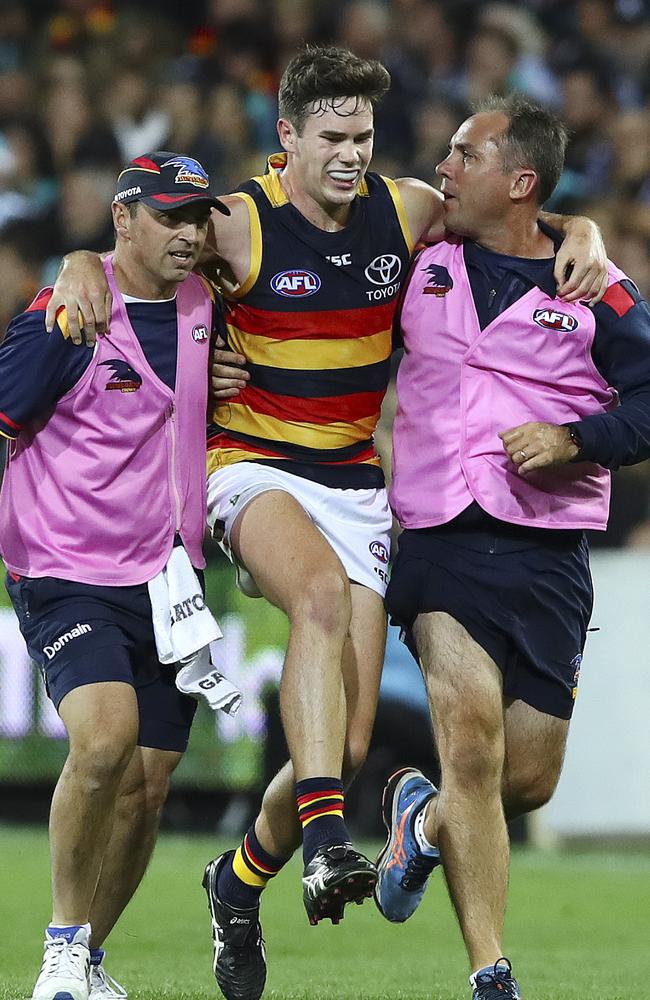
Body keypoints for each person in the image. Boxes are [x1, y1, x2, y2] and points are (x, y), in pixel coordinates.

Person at [46, 46, 609, 1000]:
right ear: (288, 138)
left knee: (342, 751)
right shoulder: (237, 221)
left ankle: (240, 879)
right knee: (310, 597)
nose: (352, 155)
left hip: (352, 481)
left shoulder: (406, 209)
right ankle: (322, 844)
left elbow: (511, 212)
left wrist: (584, 229)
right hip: (252, 465)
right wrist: (74, 265)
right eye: (334, 139)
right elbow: (138, 244)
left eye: (365, 137)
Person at [373, 95, 650, 1000]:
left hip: (549, 553)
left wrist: (577, 441)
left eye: (465, 154)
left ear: (519, 182)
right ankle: (491, 971)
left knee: (521, 781)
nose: (444, 166)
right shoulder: (420, 253)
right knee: (472, 743)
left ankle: (420, 824)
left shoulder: (595, 288)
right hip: (440, 532)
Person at [0, 152, 230, 1000]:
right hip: (66, 567)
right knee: (104, 737)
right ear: (122, 218)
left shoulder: (207, 306)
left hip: (168, 577)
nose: (188, 233)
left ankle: (91, 959)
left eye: (197, 218)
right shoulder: (68, 315)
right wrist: (72, 265)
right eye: (169, 216)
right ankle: (61, 945)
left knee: (148, 782)